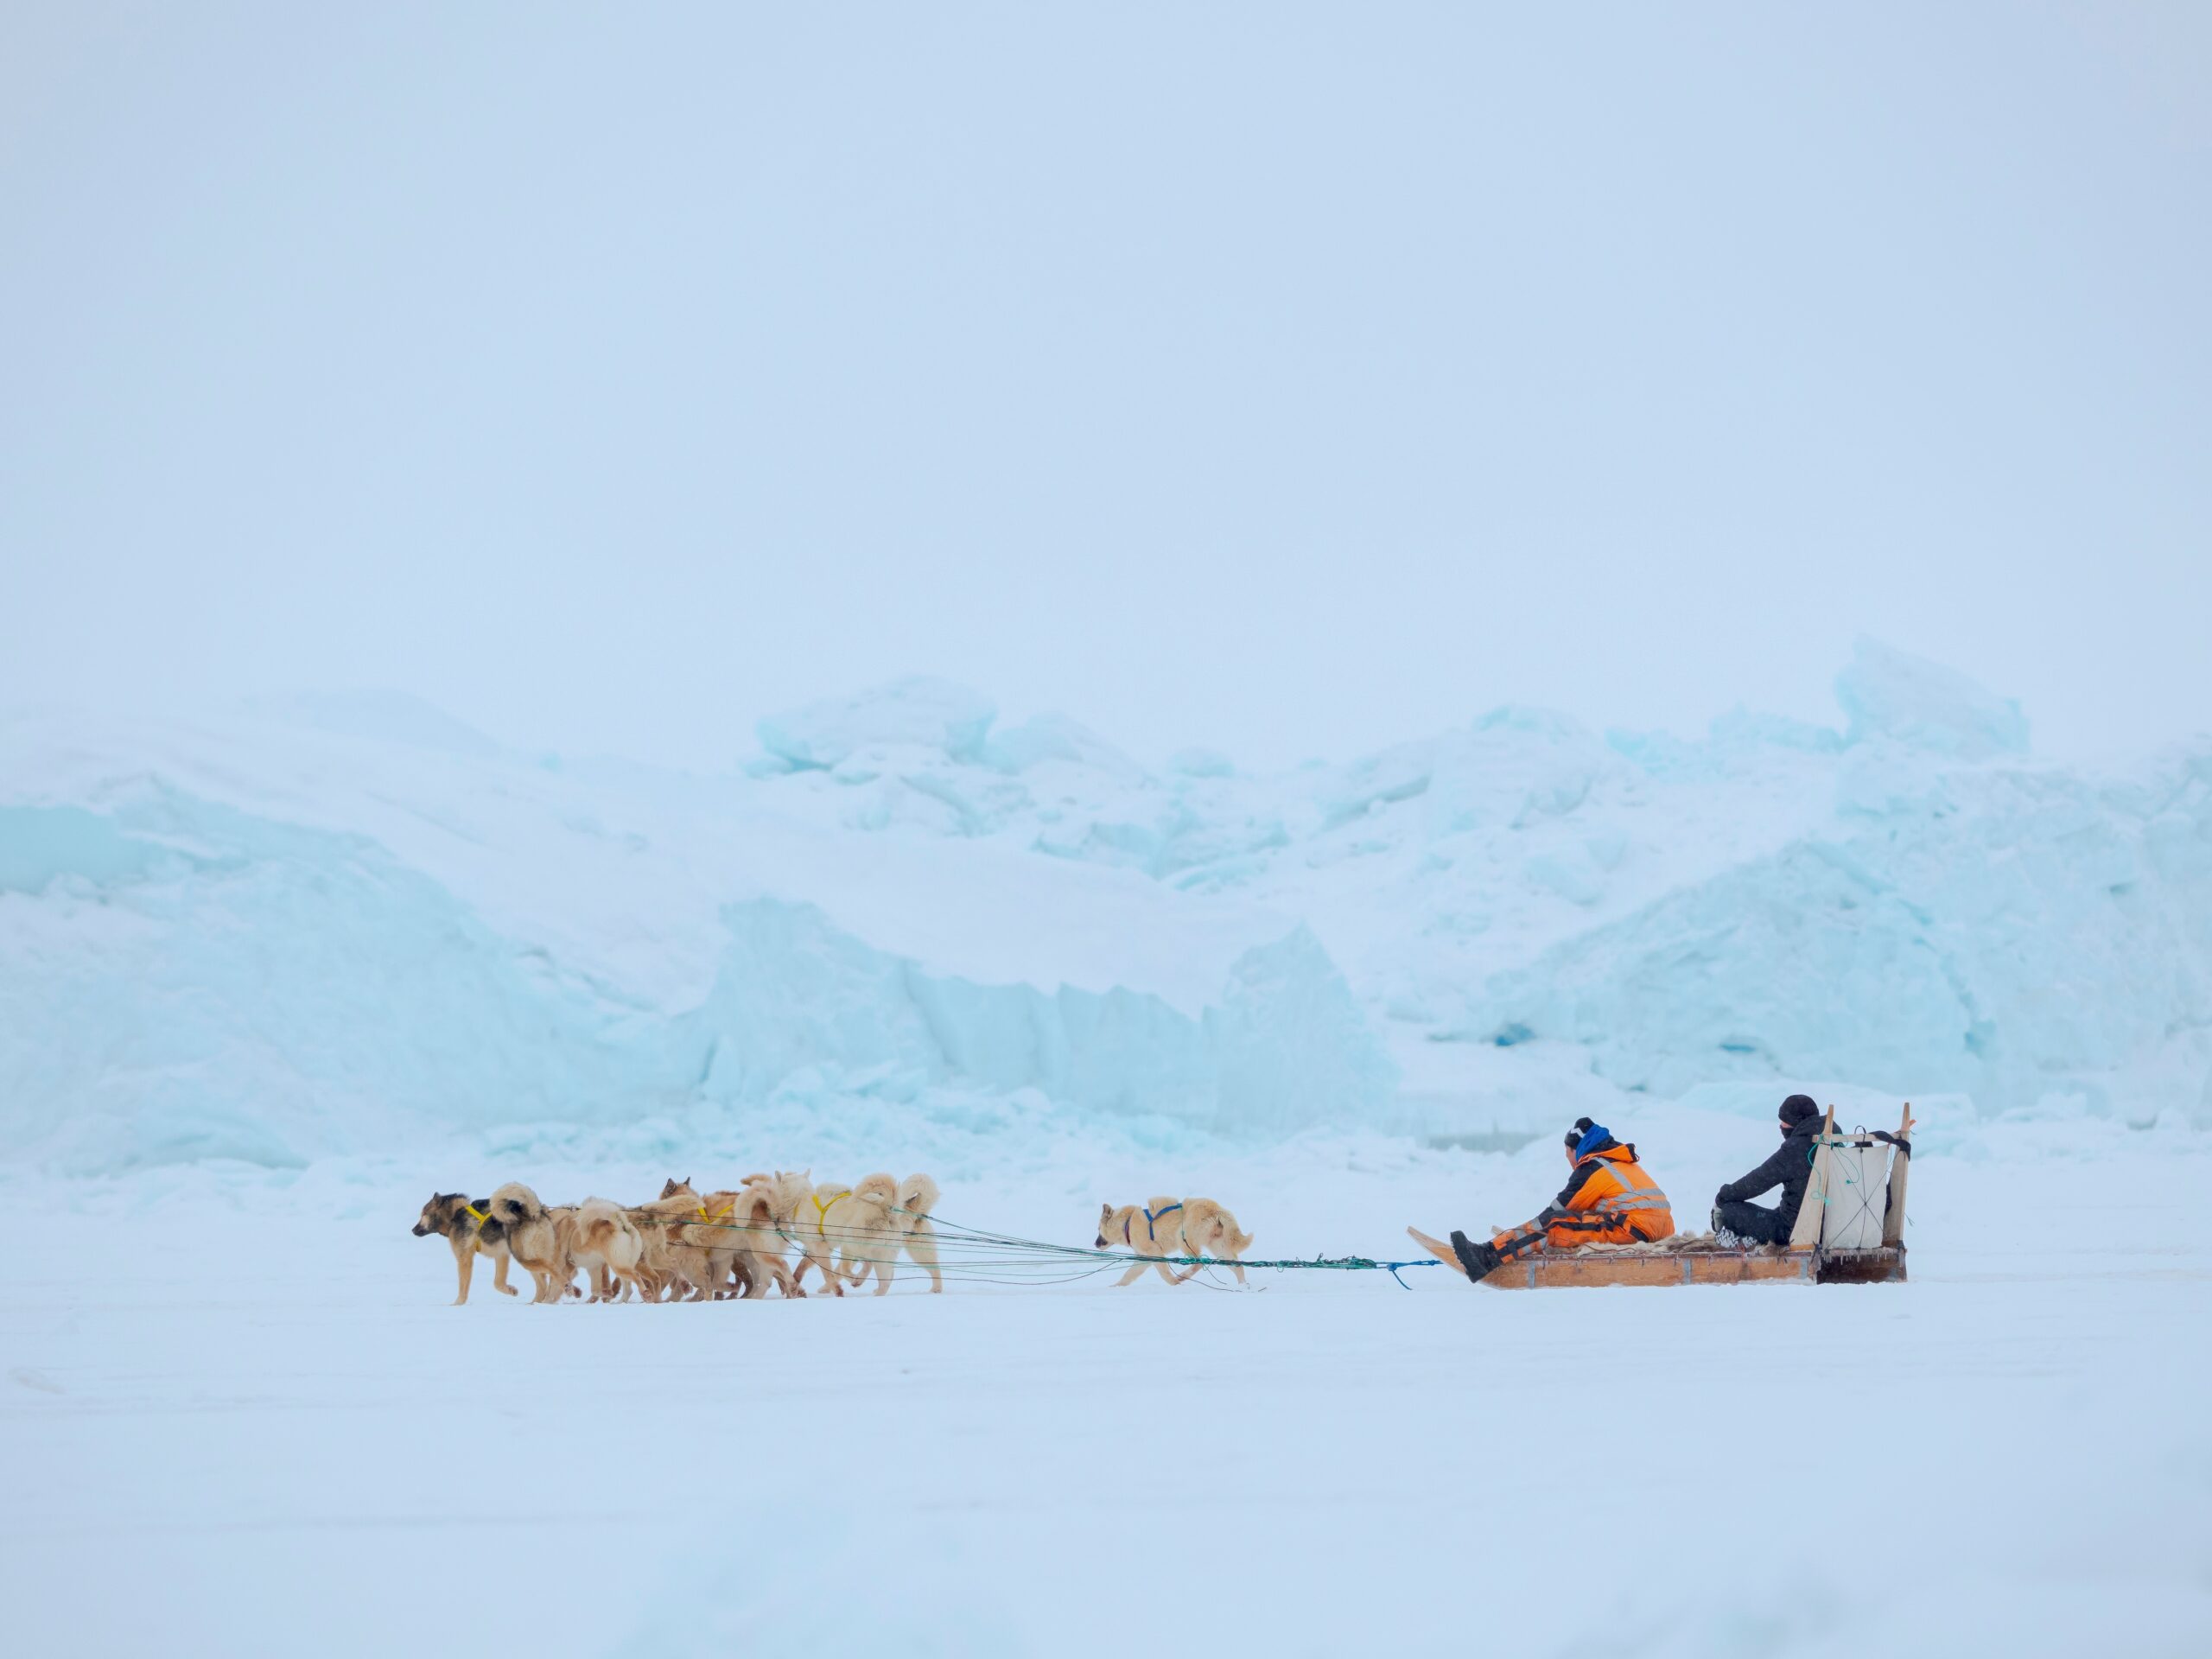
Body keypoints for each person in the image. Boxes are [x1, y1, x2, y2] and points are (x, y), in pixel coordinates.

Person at [1449, 1117, 1675, 1281]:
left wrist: (1520, 1235)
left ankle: (1486, 1257)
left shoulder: (1592, 1168)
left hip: (1632, 1229)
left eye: (1567, 1153)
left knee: (1554, 1225)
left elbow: (1554, 1214)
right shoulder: (1618, 1161)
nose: (1568, 1160)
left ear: (1576, 1150)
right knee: (1577, 1222)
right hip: (1660, 1229)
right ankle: (1509, 1245)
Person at [1710, 1093, 1827, 1245]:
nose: (1781, 1126)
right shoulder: (1832, 1142)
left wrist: (1723, 1197)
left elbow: (1757, 1181)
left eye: (1784, 1121)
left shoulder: (1796, 1148)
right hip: (1827, 1226)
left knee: (1729, 1210)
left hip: (1792, 1230)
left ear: (1796, 1122)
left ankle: (1740, 1240)